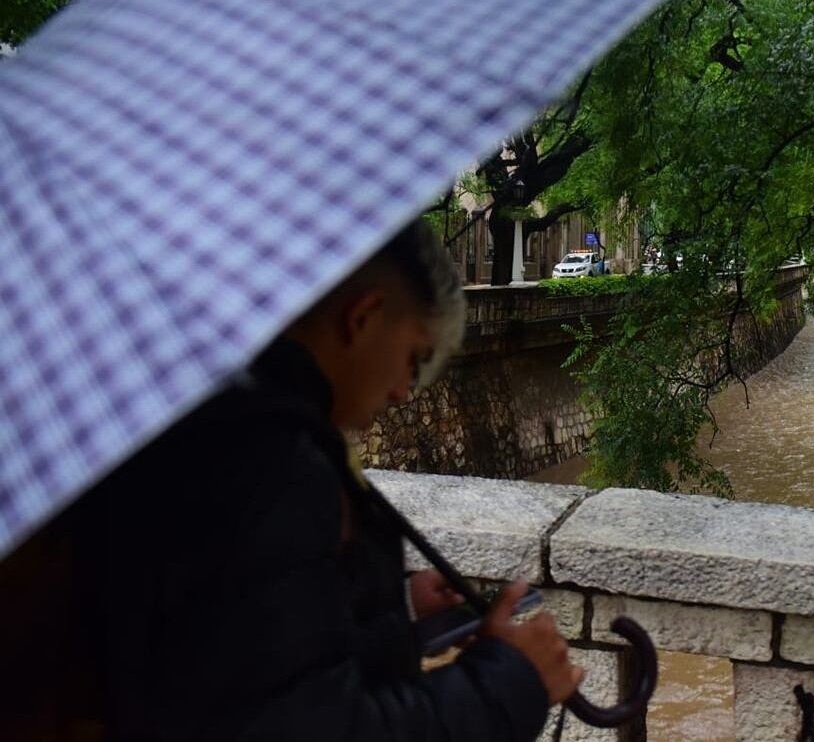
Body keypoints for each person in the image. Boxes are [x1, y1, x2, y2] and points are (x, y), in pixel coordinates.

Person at [65, 219, 581, 740]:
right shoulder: (272, 466)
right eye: (414, 359)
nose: (406, 391)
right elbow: (311, 723)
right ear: (364, 316)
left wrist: (388, 606)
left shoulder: (213, 422)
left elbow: (245, 657)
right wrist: (510, 681)